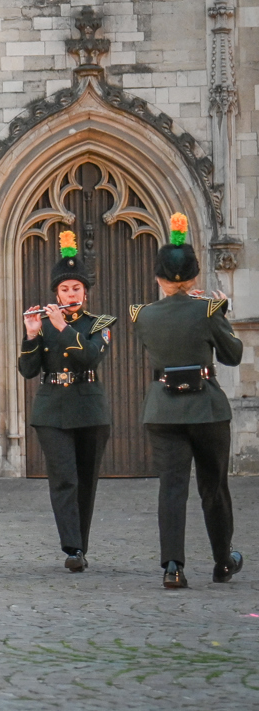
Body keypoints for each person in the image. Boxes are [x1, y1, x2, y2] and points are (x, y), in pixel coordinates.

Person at [130, 212, 244, 589]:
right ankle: (222, 561)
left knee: (172, 488)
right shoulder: (208, 309)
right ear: (194, 277)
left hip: (163, 409)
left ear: (159, 279)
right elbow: (232, 355)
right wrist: (221, 314)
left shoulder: (142, 315)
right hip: (206, 409)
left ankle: (173, 567)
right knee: (214, 487)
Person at [18, 230, 114, 573]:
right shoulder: (43, 324)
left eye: (76, 288)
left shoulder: (100, 324)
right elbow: (28, 370)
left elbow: (90, 357)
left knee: (85, 482)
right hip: (52, 409)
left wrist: (63, 327)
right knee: (63, 480)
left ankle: (81, 546)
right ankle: (72, 548)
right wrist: (31, 335)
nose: (70, 294)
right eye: (64, 289)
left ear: (85, 293)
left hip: (89, 408)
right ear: (56, 293)